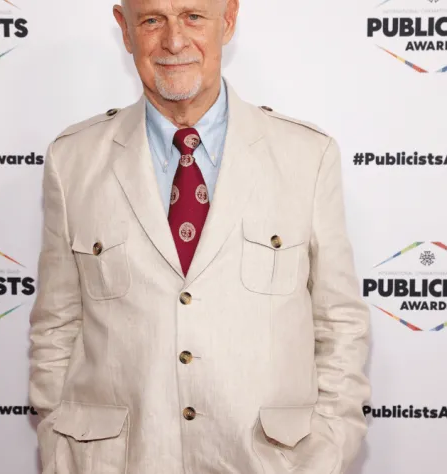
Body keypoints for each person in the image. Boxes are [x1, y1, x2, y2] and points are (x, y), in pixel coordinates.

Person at [29, 0, 371, 473]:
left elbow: (339, 324)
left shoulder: (306, 156)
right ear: (124, 30)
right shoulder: (73, 161)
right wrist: (60, 440)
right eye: (152, 20)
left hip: (269, 462)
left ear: (227, 19)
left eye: (193, 16)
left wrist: (329, 447)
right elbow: (55, 326)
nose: (173, 41)